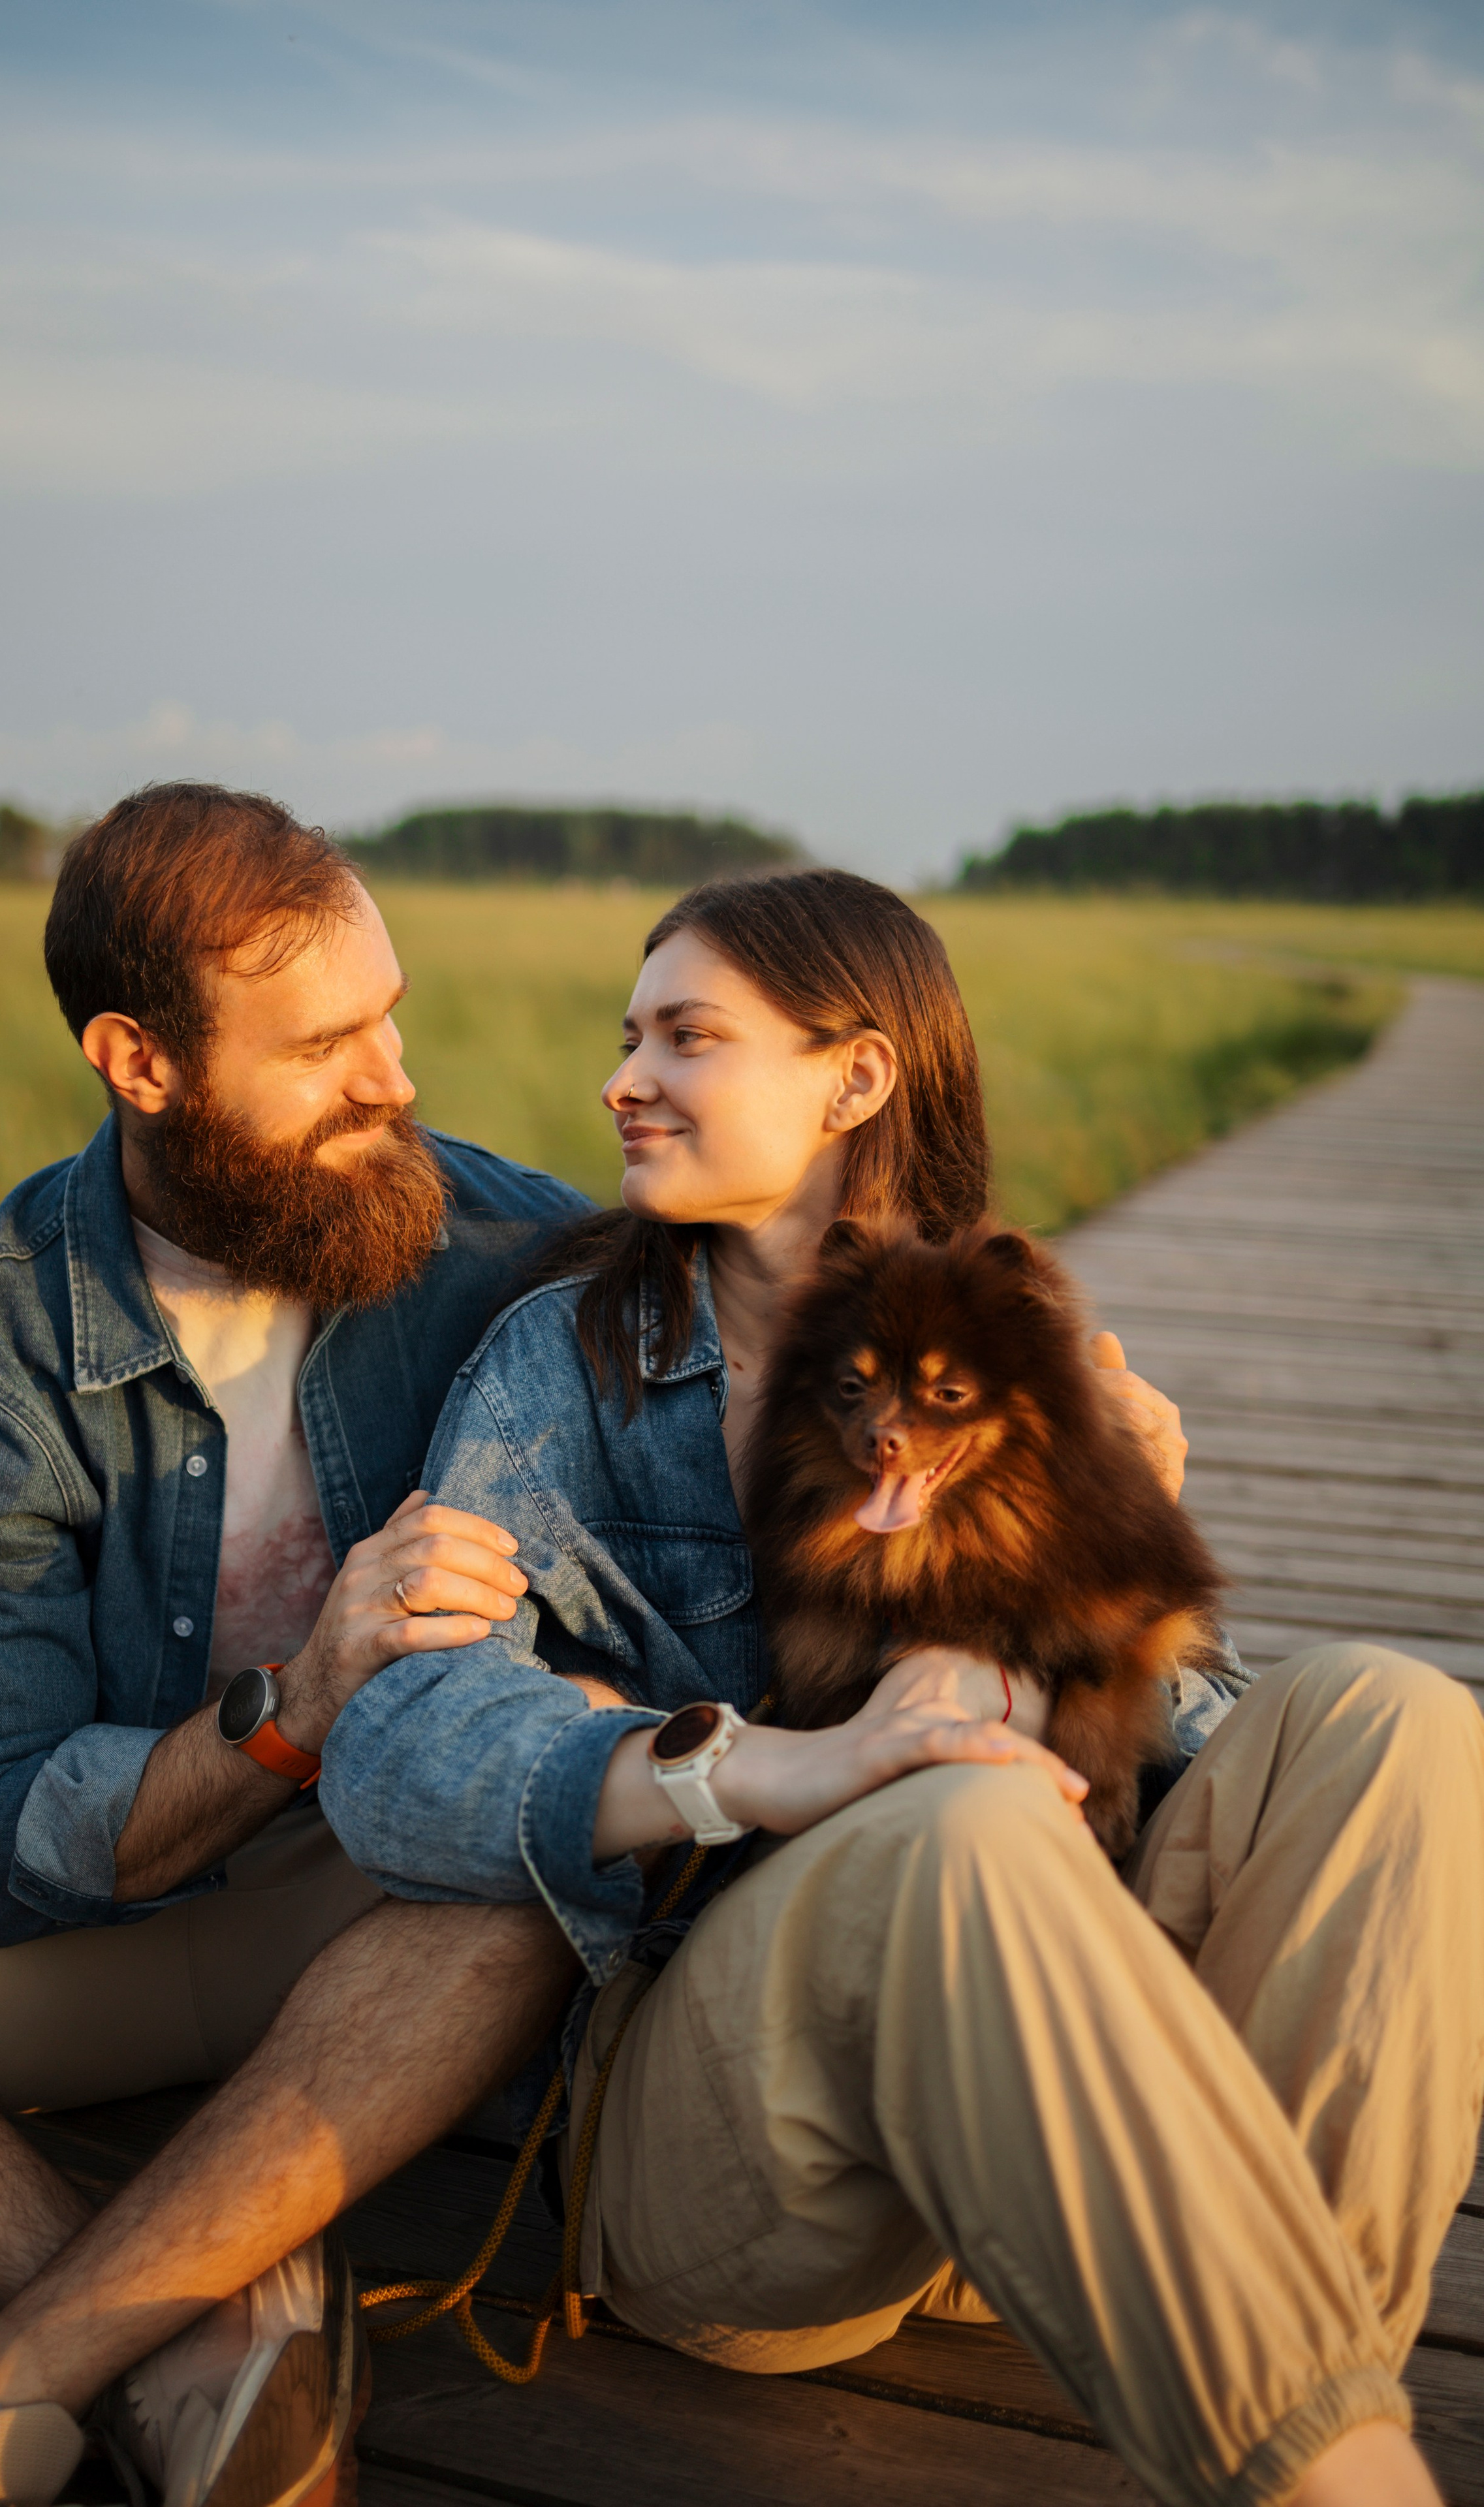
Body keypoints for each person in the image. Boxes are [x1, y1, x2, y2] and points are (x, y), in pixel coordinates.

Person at [319, 868, 1484, 2507]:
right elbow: (396, 1754)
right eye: (627, 1034)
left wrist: (1115, 1577)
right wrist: (751, 1768)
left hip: (1045, 2118)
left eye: (684, 1035)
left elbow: (1147, 1754)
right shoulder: (563, 1363)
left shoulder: (1010, 1345)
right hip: (749, 2161)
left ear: (854, 1079)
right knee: (955, 1831)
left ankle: (1298, 2396)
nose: (622, 1078)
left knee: (1397, 1718)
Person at [0, 784, 586, 2507]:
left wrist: (1074, 1399)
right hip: (79, 1934)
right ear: (140, 1063)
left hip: (382, 1943)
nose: (394, 1079)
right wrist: (297, 1703)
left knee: (527, 1865)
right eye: (326, 1045)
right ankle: (179, 2335)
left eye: (390, 1014)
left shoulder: (498, 1242)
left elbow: (799, 1326)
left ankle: (17, 2380)